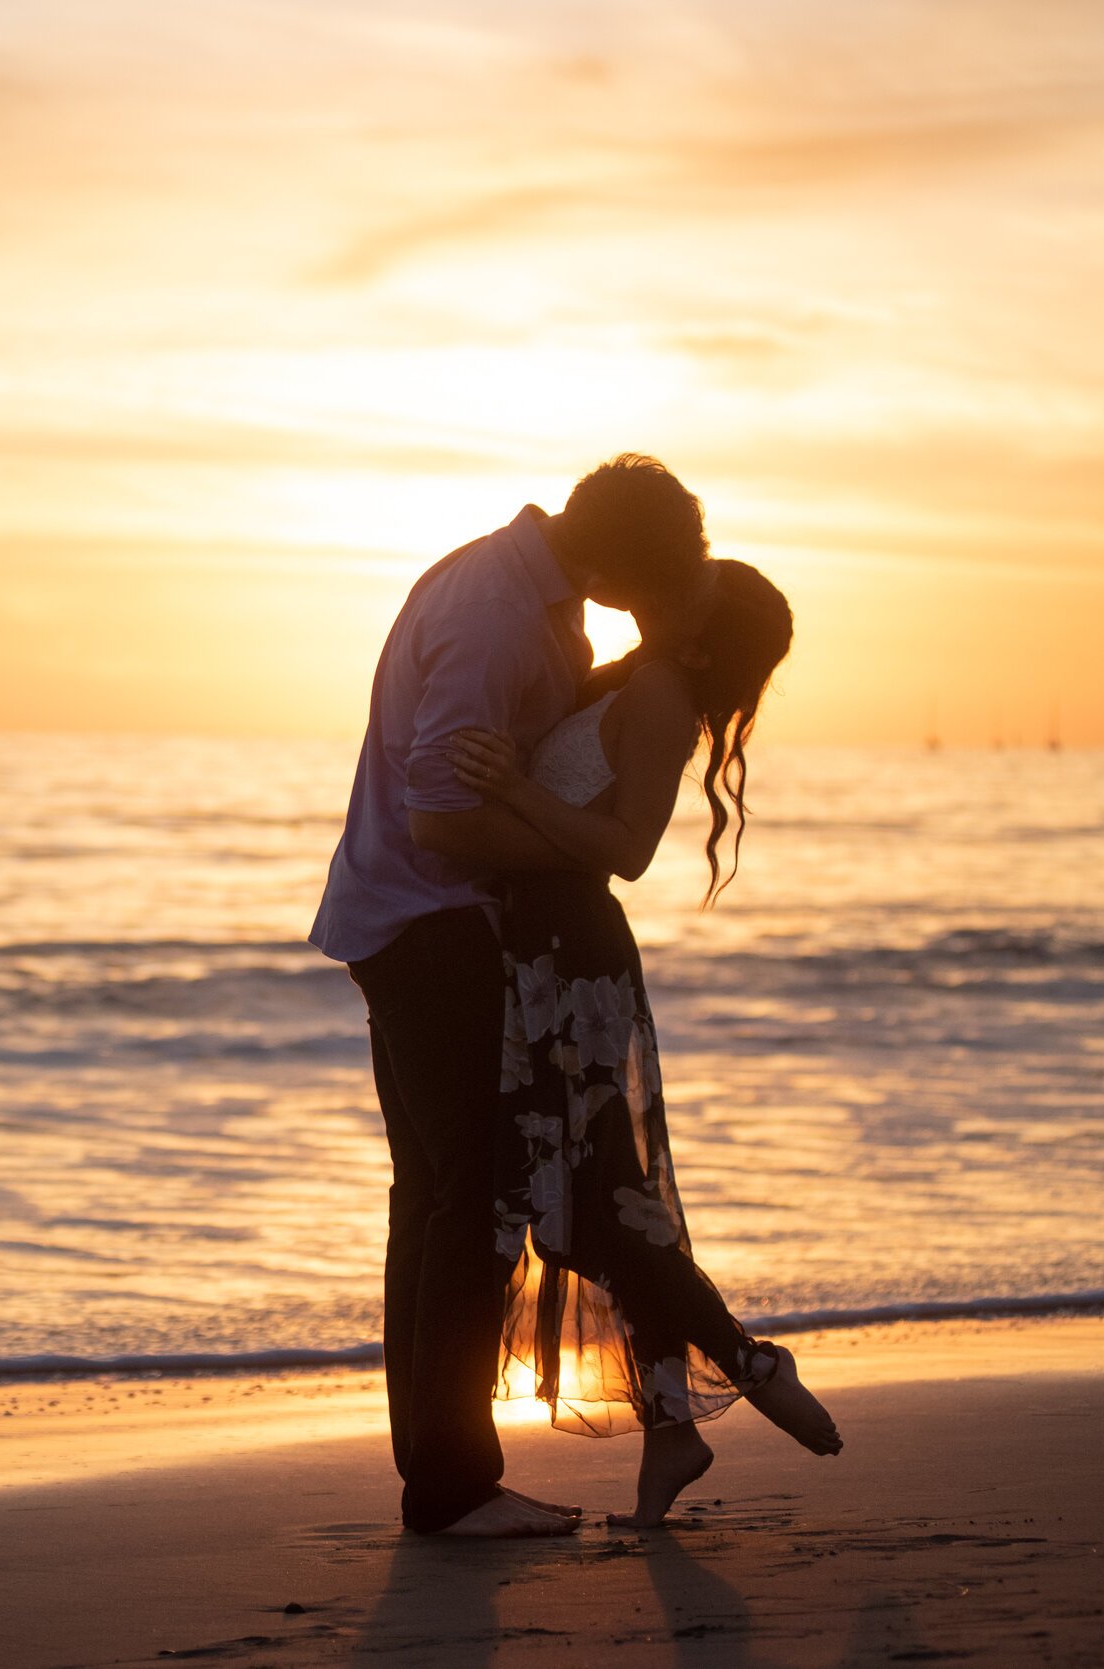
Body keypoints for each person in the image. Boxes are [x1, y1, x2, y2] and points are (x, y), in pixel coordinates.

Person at [309, 455, 714, 1537]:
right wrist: (552, 828)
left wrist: (530, 801)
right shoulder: (495, 612)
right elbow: (443, 816)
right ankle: (450, 1485)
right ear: (625, 561)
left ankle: (442, 1476)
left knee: (432, 1200)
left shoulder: (530, 597)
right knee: (466, 1203)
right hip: (433, 923)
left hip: (405, 918)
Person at [446, 558, 844, 1528]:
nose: (667, 584)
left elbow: (626, 847)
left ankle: (748, 1363)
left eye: (691, 589)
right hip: (536, 955)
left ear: (701, 636)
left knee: (593, 1207)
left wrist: (511, 785)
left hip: (569, 960)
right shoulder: (630, 674)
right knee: (594, 1204)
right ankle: (675, 1422)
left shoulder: (664, 692)